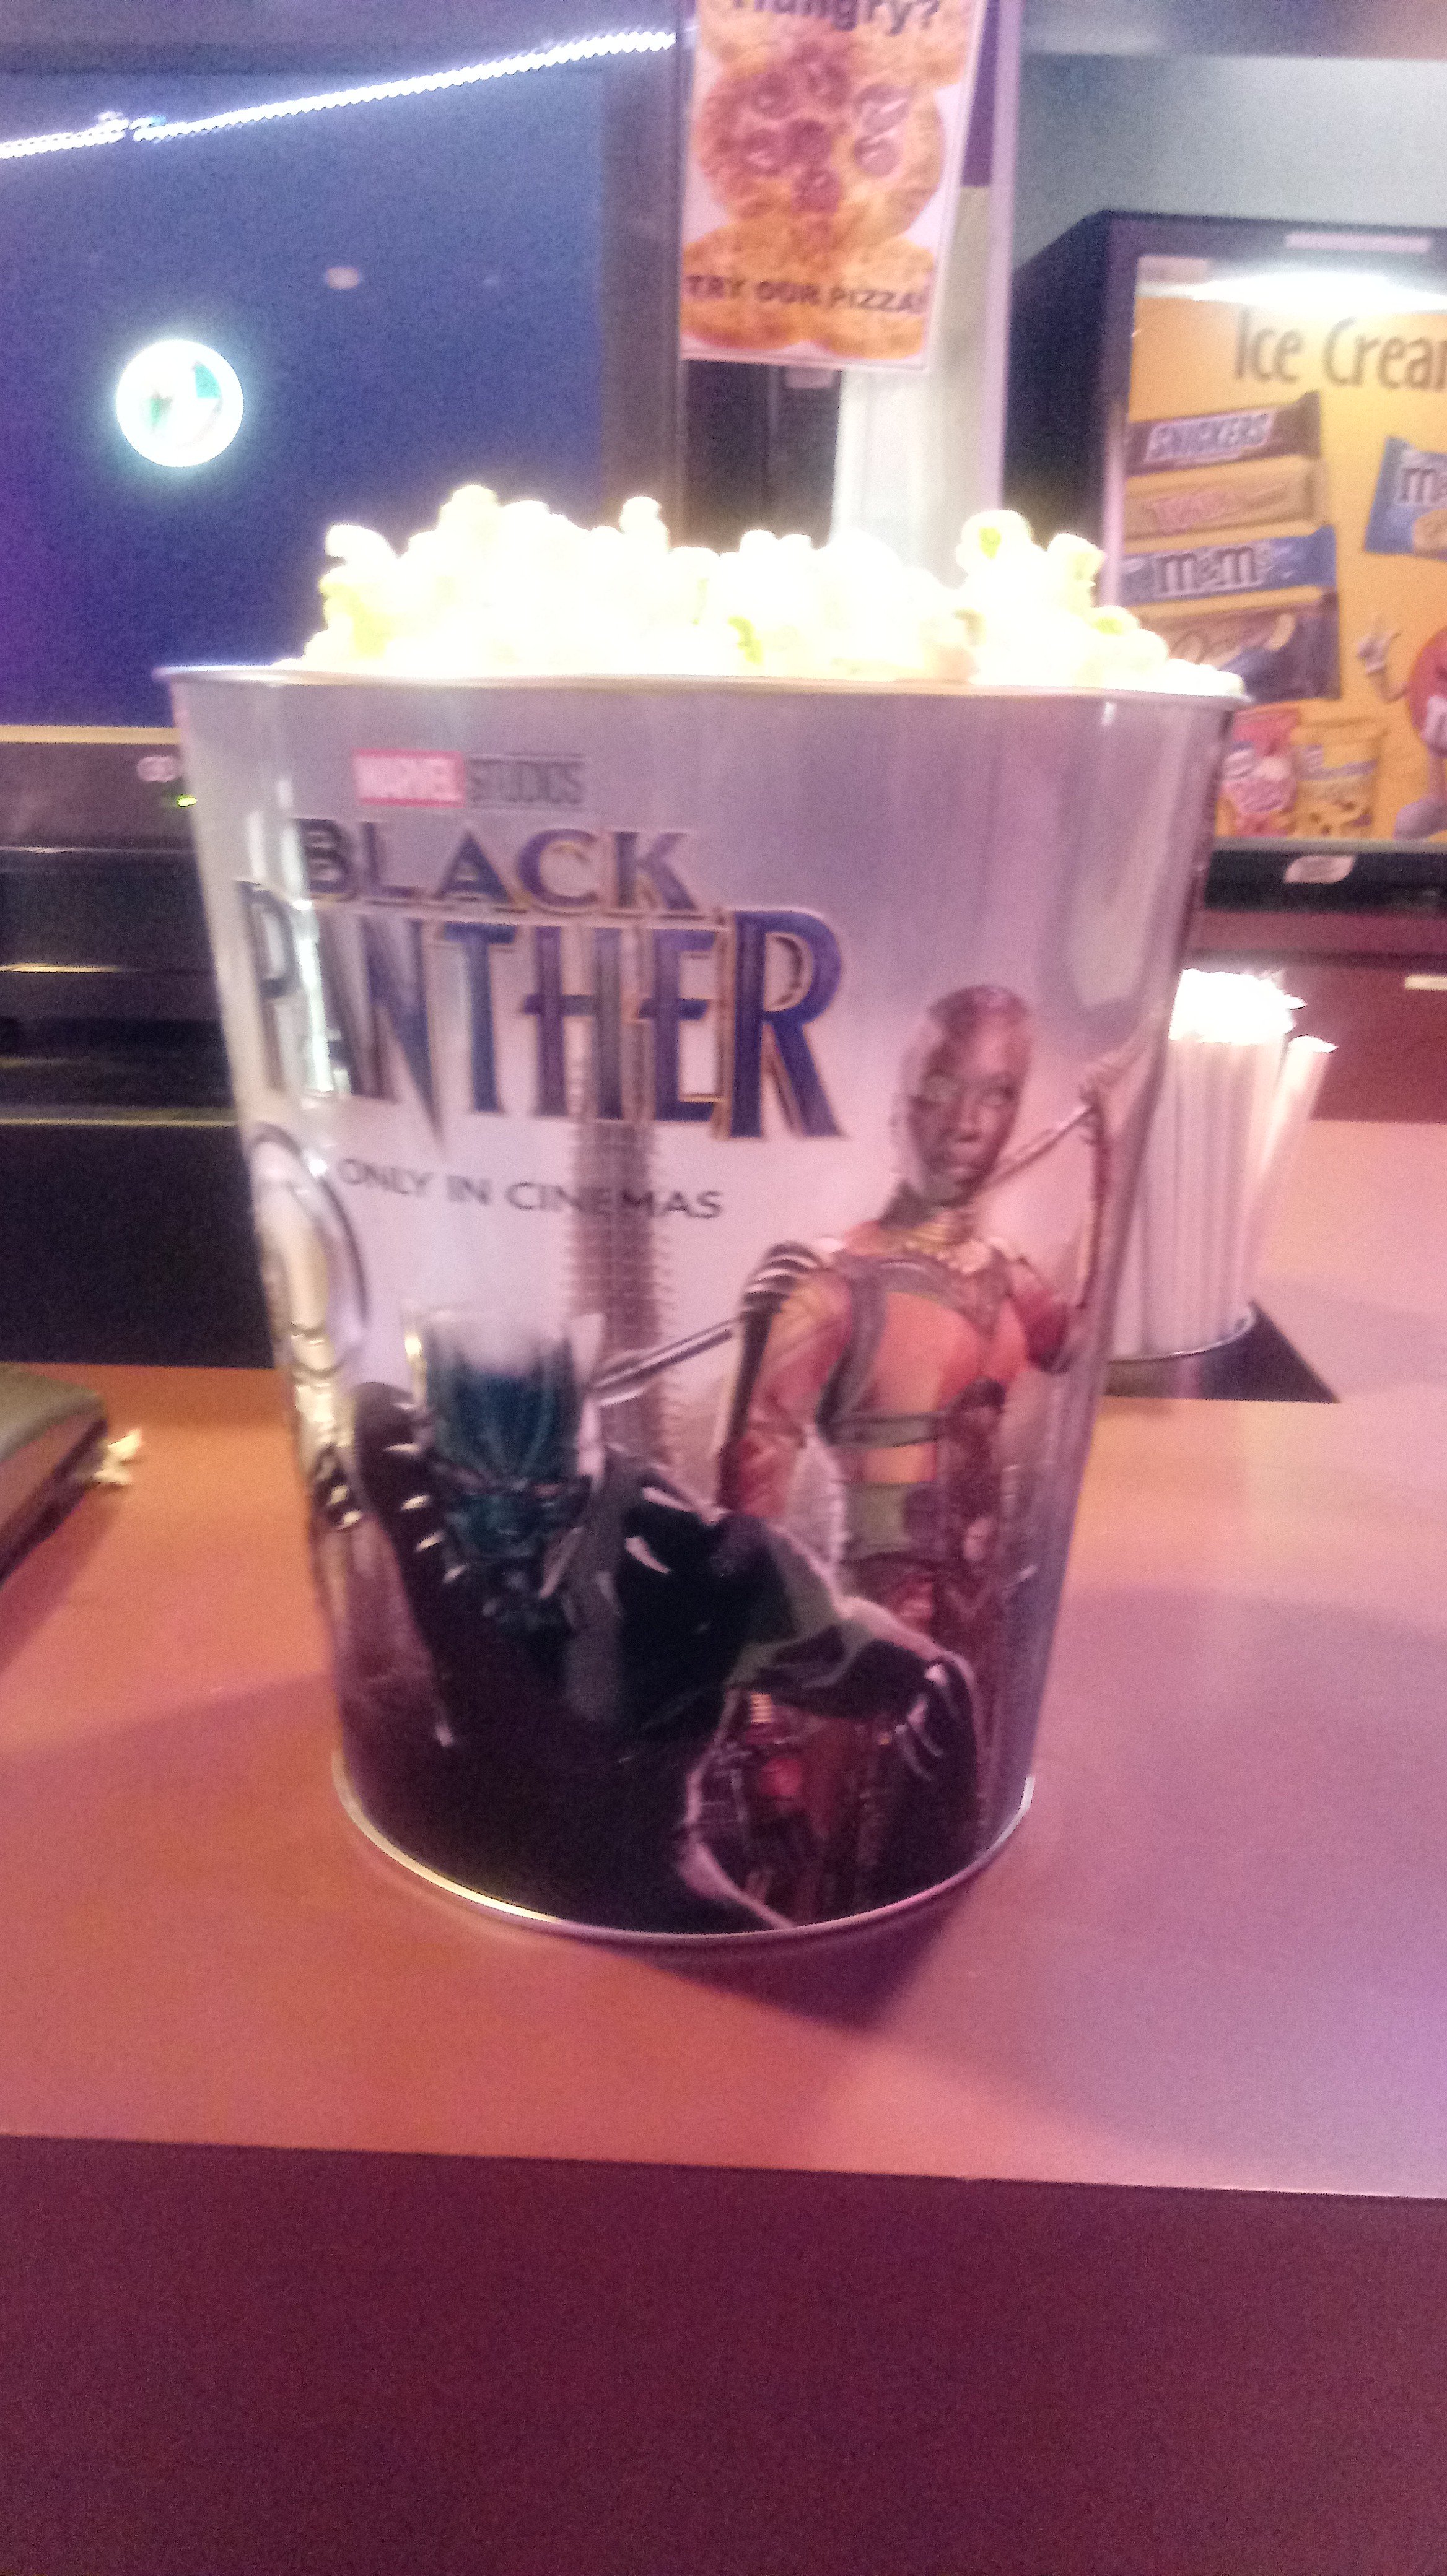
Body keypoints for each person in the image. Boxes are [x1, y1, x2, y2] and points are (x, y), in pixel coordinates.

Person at [310, 1320, 977, 1934]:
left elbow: (887, 1667)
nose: (509, 1535)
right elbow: (373, 1410)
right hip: (450, 1849)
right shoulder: (411, 1484)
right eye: (476, 1498)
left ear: (585, 1481)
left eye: (540, 1501)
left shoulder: (692, 1564)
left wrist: (928, 1702)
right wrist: (344, 1454)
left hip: (635, 1878)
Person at [715, 986, 1105, 1757]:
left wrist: (1108, 1162)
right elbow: (746, 1522)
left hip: (982, 1617)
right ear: (899, 1105)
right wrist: (757, 1709)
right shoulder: (827, 1285)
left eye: (996, 1094)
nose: (966, 1123)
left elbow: (1073, 1345)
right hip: (879, 1642)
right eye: (940, 1087)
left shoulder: (1002, 1273)